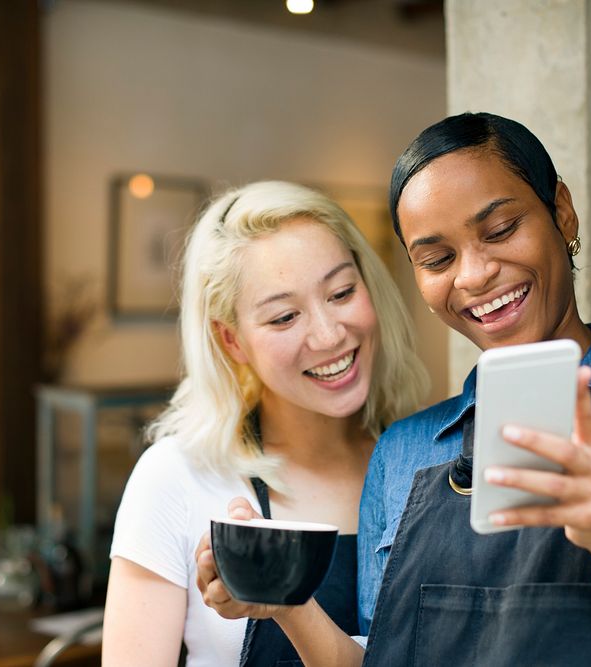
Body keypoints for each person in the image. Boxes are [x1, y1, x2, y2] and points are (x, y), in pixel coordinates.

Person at [197, 113, 591, 667]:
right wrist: (284, 602)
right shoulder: (405, 451)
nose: (474, 275)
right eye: (438, 259)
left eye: (501, 229)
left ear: (562, 212)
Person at [101, 180, 429, 667]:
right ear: (232, 341)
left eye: (341, 292)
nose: (328, 334)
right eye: (283, 317)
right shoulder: (176, 478)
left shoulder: (429, 464)